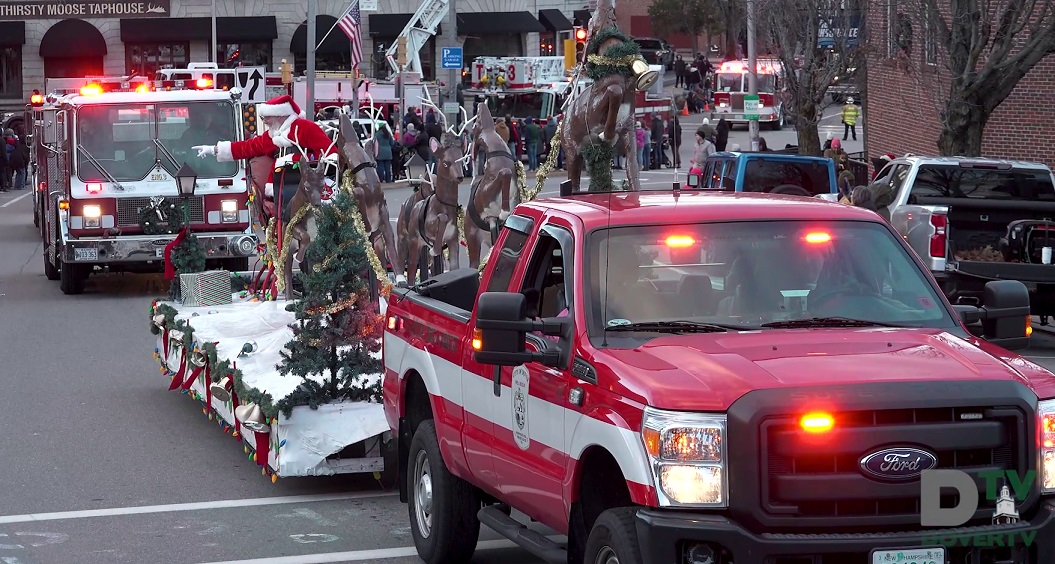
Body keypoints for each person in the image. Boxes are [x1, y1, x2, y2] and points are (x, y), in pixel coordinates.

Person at [193, 95, 335, 217]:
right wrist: (214, 149)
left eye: (266, 117)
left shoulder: (305, 128)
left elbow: (329, 154)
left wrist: (293, 160)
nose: (264, 121)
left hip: (305, 185)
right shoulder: (273, 135)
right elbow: (247, 147)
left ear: (280, 115)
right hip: (280, 188)